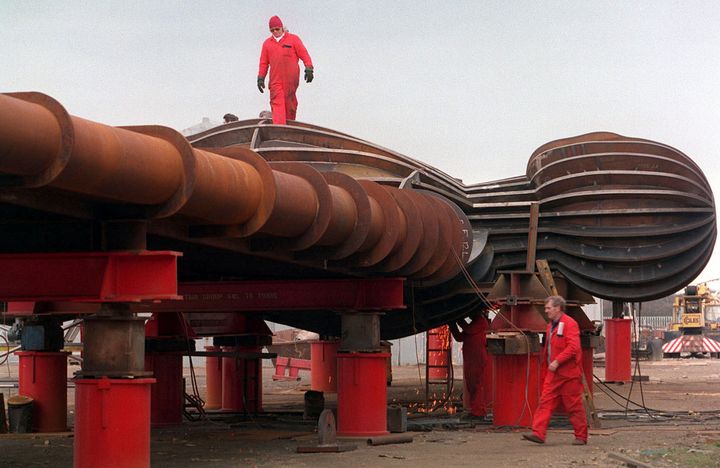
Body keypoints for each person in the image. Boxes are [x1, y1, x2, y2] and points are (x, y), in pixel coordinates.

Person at [523, 295, 588, 445]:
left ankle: (581, 436)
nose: (546, 311)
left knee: (573, 405)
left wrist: (558, 361)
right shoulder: (551, 325)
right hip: (554, 373)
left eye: (548, 308)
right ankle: (538, 433)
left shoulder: (570, 324)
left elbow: (574, 347)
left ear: (558, 308)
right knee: (545, 401)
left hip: (568, 374)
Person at [257, 15, 313, 125]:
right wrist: (260, 77)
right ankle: (279, 129)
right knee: (278, 104)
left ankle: (289, 129)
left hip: (291, 81)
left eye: (277, 29)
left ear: (282, 28)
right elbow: (263, 63)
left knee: (290, 106)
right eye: (272, 30)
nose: (275, 32)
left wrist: (309, 68)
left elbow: (304, 54)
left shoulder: (293, 39)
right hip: (276, 81)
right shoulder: (267, 44)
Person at [449, 311, 490, 417]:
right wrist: (452, 325)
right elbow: (459, 337)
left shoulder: (481, 321)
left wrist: (457, 318)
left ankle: (479, 412)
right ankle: (475, 410)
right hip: (470, 360)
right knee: (471, 385)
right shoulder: (473, 325)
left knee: (476, 385)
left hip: (477, 359)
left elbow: (468, 329)